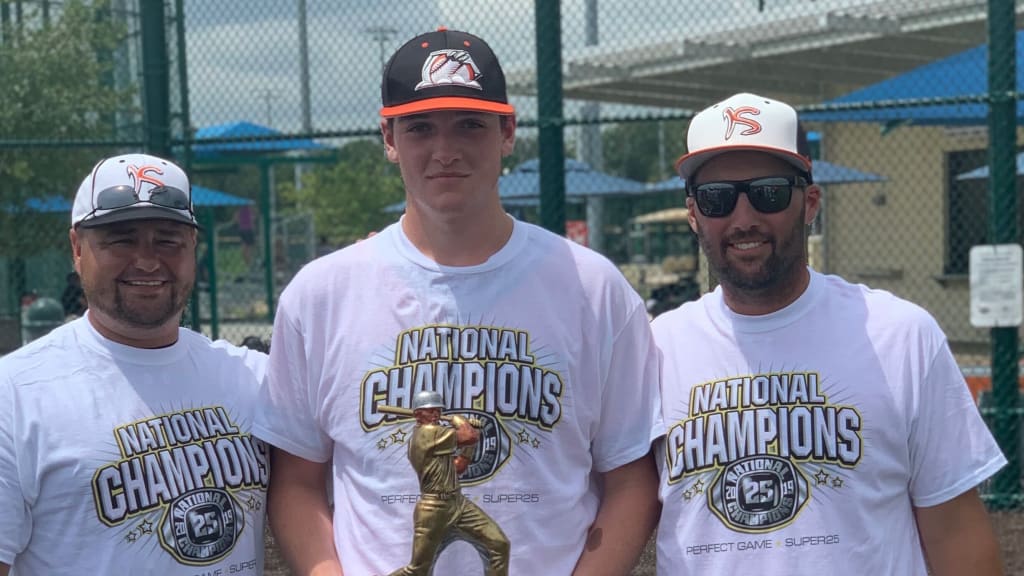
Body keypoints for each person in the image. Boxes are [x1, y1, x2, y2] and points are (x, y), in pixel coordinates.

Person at [253, 27, 661, 576]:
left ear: (507, 131)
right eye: (420, 127)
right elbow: (296, 483)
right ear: (389, 137)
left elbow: (631, 480)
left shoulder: (593, 288)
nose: (445, 151)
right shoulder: (320, 294)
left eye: (470, 124)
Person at [652, 92, 1006, 575]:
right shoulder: (656, 349)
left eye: (770, 193)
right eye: (718, 198)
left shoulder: (899, 336)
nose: (744, 218)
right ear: (694, 214)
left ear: (811, 203)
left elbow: (957, 534)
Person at [0, 153, 269, 575]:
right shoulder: (15, 394)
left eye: (168, 240)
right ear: (77, 249)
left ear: (192, 247)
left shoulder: (253, 377)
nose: (147, 260)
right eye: (121, 240)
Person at [385, 390, 509, 576]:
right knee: (418, 570)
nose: (436, 414)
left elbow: (458, 467)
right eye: (430, 410)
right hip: (434, 509)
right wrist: (461, 421)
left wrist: (470, 446)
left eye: (438, 410)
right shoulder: (427, 433)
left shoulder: (438, 438)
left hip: (458, 503)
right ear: (418, 414)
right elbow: (468, 436)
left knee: (498, 545)